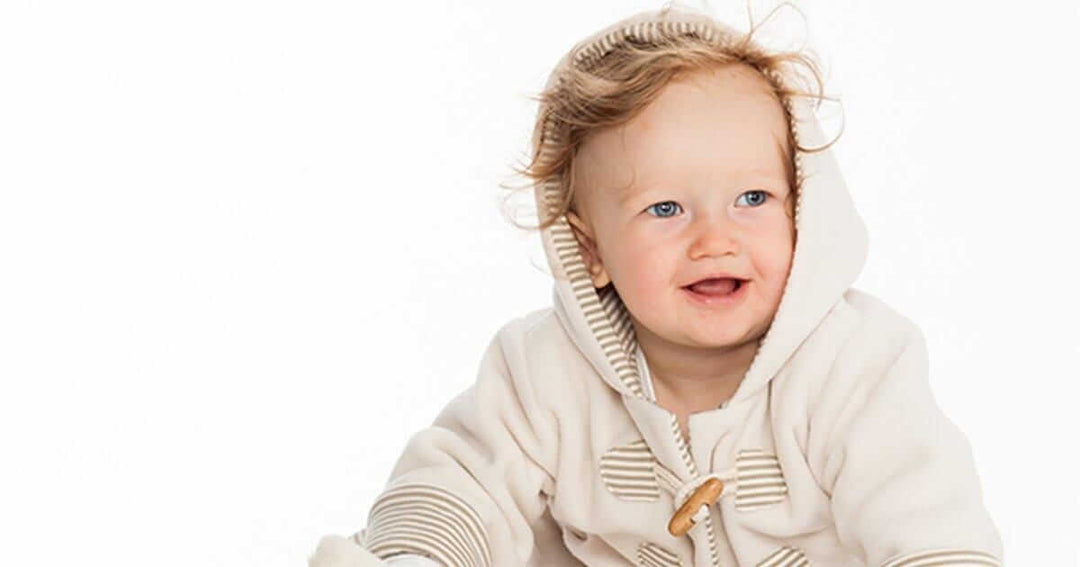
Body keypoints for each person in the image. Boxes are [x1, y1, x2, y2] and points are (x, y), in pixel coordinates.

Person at [309, 3, 1004, 566]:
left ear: (804, 209)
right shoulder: (542, 373)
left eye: (753, 198)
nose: (716, 238)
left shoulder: (855, 365)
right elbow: (459, 485)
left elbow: (932, 527)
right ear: (592, 250)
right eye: (666, 209)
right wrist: (420, 556)